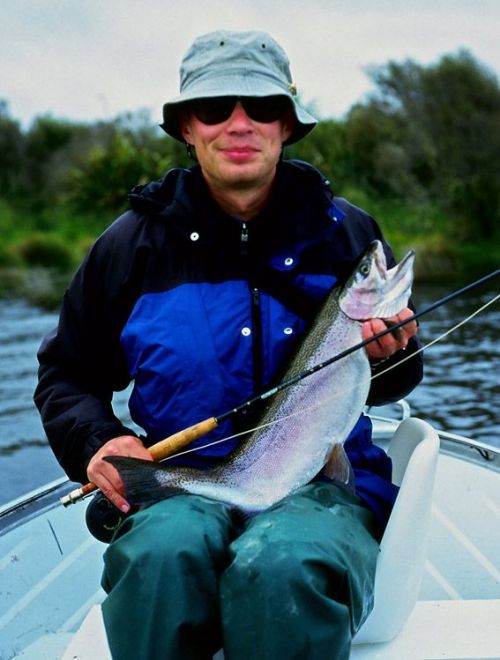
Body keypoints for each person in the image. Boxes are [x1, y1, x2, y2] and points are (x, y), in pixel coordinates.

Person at [35, 30, 423, 660]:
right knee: (160, 556)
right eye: (215, 108)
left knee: (284, 565)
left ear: (287, 125)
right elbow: (66, 374)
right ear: (187, 127)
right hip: (184, 485)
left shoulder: (347, 232)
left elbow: (393, 383)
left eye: (261, 107)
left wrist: (396, 353)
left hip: (327, 487)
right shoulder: (129, 248)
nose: (239, 124)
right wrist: (95, 441)